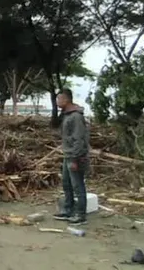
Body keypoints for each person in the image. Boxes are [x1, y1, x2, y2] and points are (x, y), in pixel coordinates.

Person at [54, 88, 91, 225]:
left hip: (75, 156)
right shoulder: (66, 115)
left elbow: (79, 139)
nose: (57, 101)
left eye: (59, 99)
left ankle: (81, 214)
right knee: (66, 183)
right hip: (68, 154)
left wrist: (76, 158)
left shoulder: (75, 116)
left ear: (66, 99)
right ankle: (67, 210)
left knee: (78, 185)